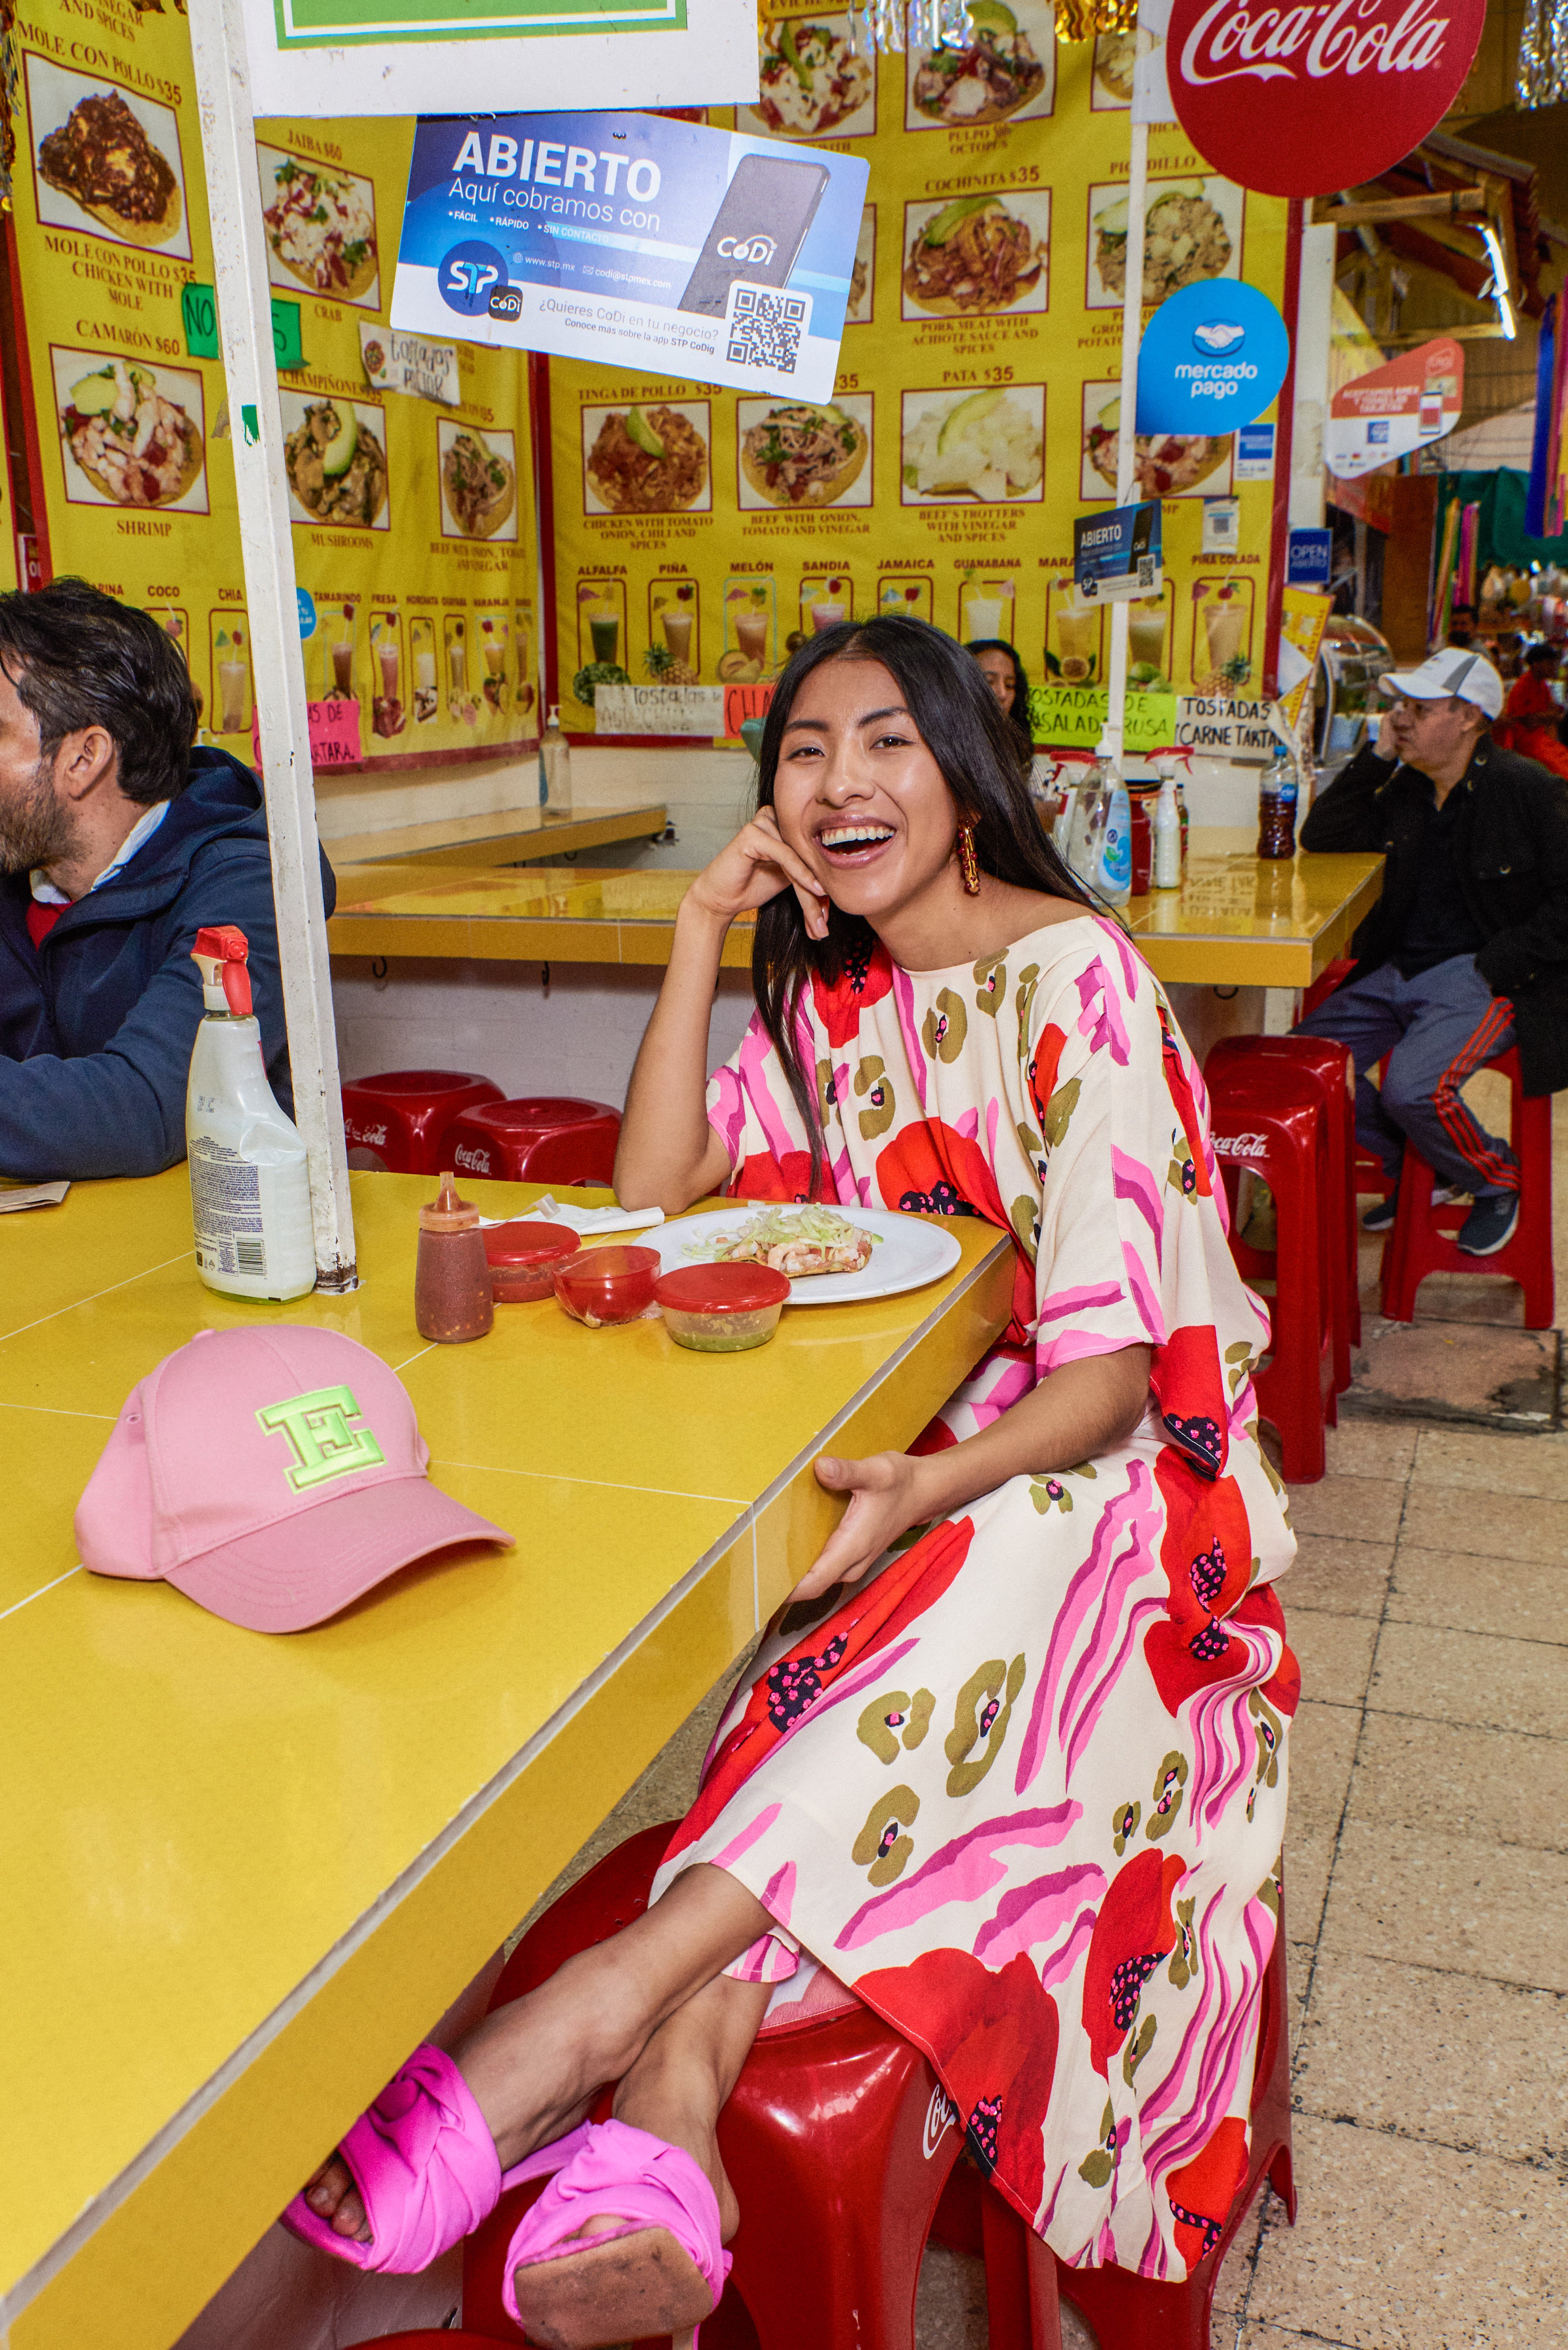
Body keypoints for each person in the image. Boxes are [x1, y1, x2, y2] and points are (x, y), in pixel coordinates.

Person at [294, 616, 1297, 2345]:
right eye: (806, 749)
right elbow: (652, 1186)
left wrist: (935, 1482)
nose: (842, 779)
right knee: (847, 1653)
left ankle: (595, 2011)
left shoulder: (1078, 976)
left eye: (887, 739)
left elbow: (1114, 1377)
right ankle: (669, 2105)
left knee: (944, 1577)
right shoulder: (829, 994)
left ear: (966, 775)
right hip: (921, 1479)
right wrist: (700, 926)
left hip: (1122, 1496)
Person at [0, 577, 334, 1181]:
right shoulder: (18, 862)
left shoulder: (250, 887)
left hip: (205, 1230)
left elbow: (149, 1105)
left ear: (84, 758)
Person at [1298, 647, 1568, 1255]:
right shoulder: (1408, 789)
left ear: (1468, 717)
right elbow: (1322, 835)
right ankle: (1425, 1161)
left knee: (1412, 1088)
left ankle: (1493, 1178)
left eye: (1419, 709)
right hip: (1397, 970)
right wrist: (1377, 757)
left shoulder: (1526, 789)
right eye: (1399, 706)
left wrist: (1499, 964)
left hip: (1483, 974)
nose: (1400, 718)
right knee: (1305, 1068)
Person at [1494, 642, 1568, 781]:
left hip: (1541, 739)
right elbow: (1528, 721)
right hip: (1525, 743)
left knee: (1564, 756)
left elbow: (1552, 714)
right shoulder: (1522, 687)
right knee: (1559, 768)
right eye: (1549, 663)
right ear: (1536, 665)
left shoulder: (1542, 685)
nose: (1553, 667)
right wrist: (1547, 716)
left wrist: (1545, 716)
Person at [965, 635, 1038, 775]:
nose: (1002, 694)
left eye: (1009, 685)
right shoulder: (940, 748)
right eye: (989, 682)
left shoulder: (1014, 750)